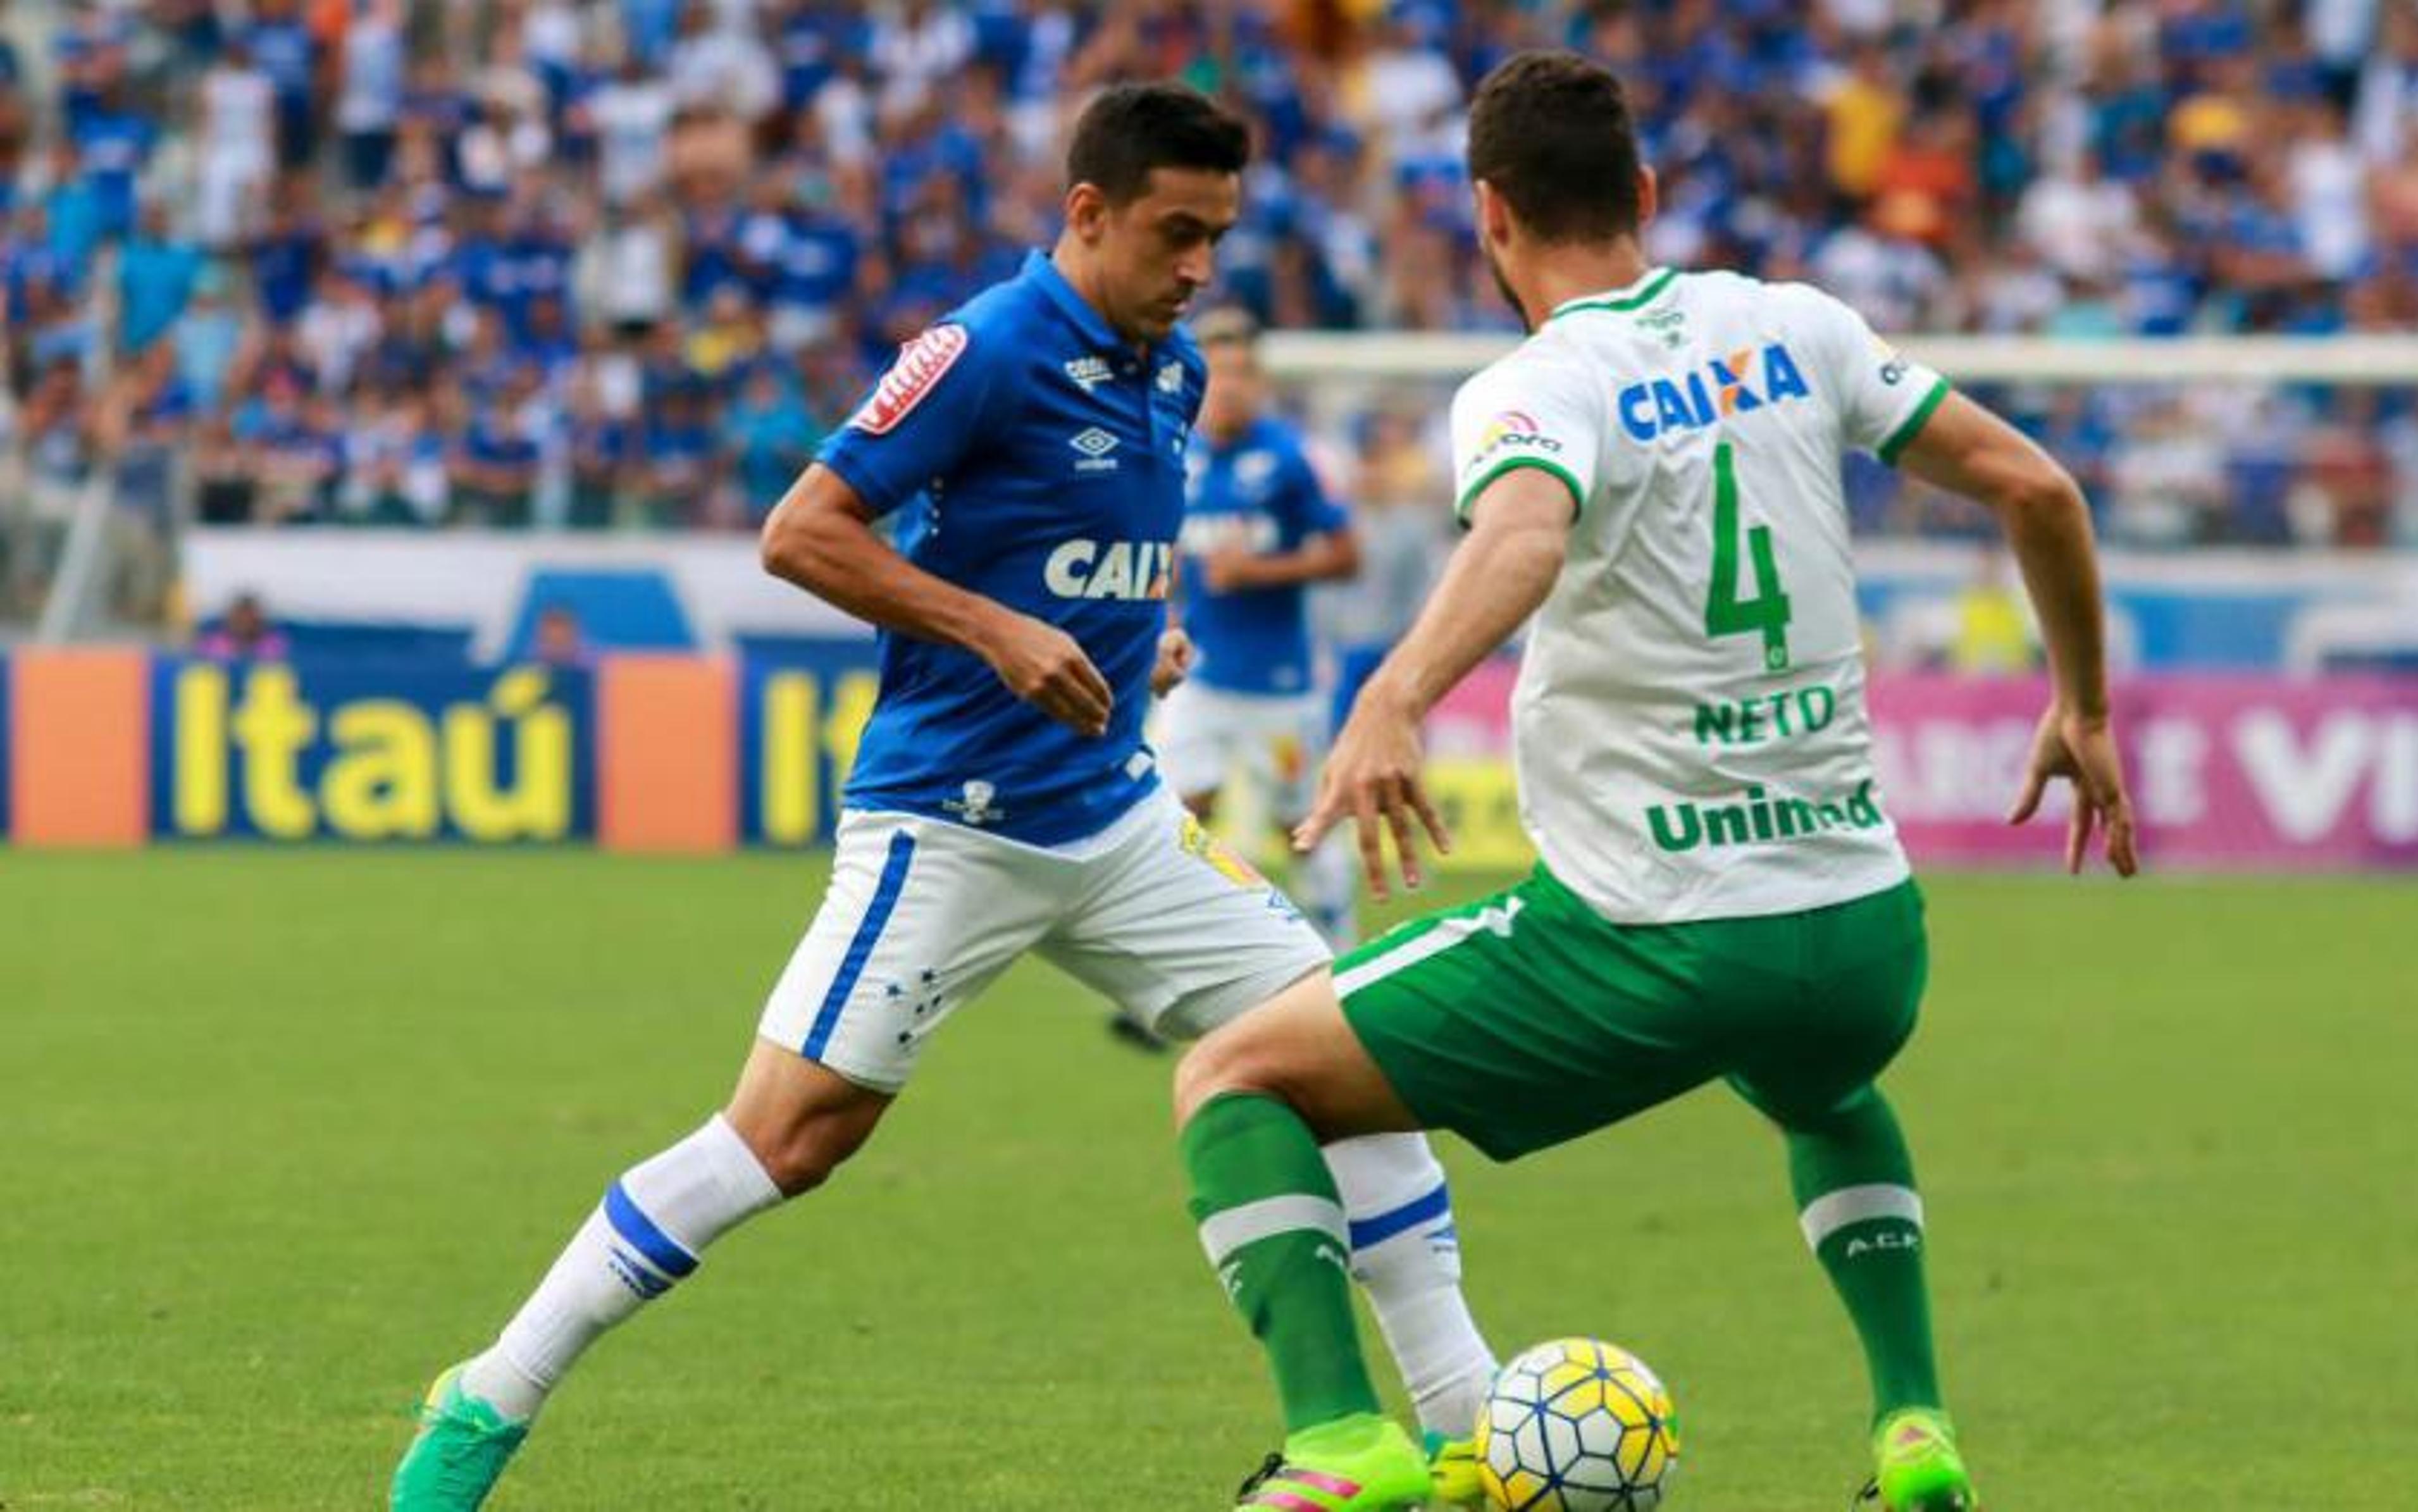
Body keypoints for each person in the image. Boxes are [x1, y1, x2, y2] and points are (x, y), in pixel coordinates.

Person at [388, 82, 1492, 1510]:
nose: (1201, 267)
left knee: (1346, 1059)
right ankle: (490, 1390)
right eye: (1176, 232)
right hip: (950, 822)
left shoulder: (1172, 369)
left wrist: (1128, 637)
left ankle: (1470, 1430)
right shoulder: (982, 348)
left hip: (1121, 817)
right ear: (1087, 214)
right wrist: (997, 629)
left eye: (1218, 236)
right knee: (788, 1137)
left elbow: (1085, 556)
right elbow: (804, 532)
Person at [1169, 51, 2139, 1512]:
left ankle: (1339, 1442)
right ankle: (1912, 1428)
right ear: (1641, 191)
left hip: (1649, 936)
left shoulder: (1536, 382)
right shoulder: (1793, 324)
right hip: (1862, 931)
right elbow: (2038, 487)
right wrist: (2078, 704)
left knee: (1235, 1075)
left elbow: (1518, 538)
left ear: (1487, 215)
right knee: (1823, 1083)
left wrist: (1394, 692)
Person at [1155, 306, 1363, 951]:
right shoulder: (1177, 455)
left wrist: (1260, 569)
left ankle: (1341, 948)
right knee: (1177, 814)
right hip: (1202, 674)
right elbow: (1163, 555)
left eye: (1245, 372)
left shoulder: (1288, 458)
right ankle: (1183, 954)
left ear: (1260, 381)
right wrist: (1162, 622)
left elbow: (1347, 554)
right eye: (1220, 373)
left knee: (1300, 825)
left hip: (1280, 683)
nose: (1232, 386)